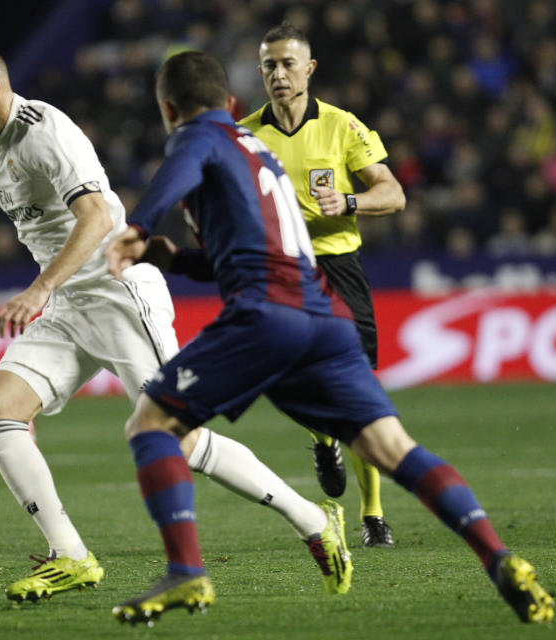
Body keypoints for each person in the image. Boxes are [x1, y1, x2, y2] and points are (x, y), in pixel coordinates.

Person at [105, 50, 554, 626]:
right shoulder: (259, 150)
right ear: (234, 102)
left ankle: (187, 572)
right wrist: (182, 261)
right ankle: (499, 557)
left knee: (151, 422)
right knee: (396, 450)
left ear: (169, 108)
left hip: (266, 315)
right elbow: (253, 249)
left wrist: (138, 228)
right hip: (325, 316)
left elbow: (180, 166)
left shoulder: (199, 136)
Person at [0, 41, 354, 604]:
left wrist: (39, 288)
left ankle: (314, 522)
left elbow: (99, 215)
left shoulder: (45, 131)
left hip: (117, 293)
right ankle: (71, 556)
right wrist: (51, 291)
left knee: (180, 438)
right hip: (67, 308)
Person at [237, 24, 406, 548]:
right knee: (291, 377)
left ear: (309, 69)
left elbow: (393, 194)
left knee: (358, 391)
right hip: (280, 271)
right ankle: (320, 436)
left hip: (337, 266)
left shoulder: (342, 127)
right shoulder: (242, 135)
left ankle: (373, 515)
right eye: (270, 65)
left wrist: (350, 202)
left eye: (288, 64)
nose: (278, 74)